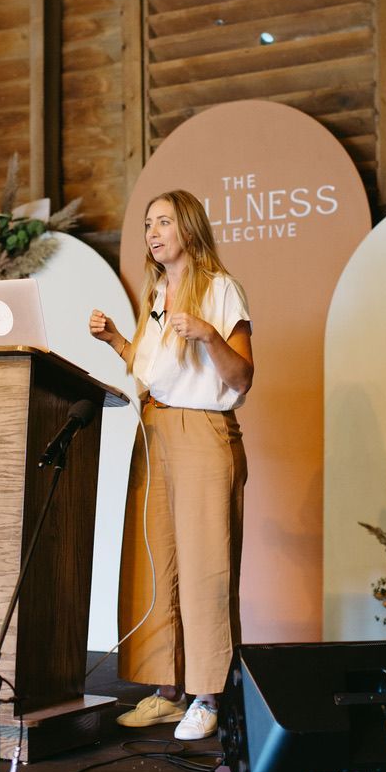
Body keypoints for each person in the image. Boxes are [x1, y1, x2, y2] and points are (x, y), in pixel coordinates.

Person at [89, 189, 253, 740]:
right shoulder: (157, 291)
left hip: (202, 432)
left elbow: (242, 377)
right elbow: (153, 369)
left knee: (206, 566)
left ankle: (208, 694)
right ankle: (165, 690)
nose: (153, 232)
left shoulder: (221, 290)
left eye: (163, 222)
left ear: (188, 227)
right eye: (147, 224)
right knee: (155, 561)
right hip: (154, 428)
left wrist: (208, 335)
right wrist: (116, 339)